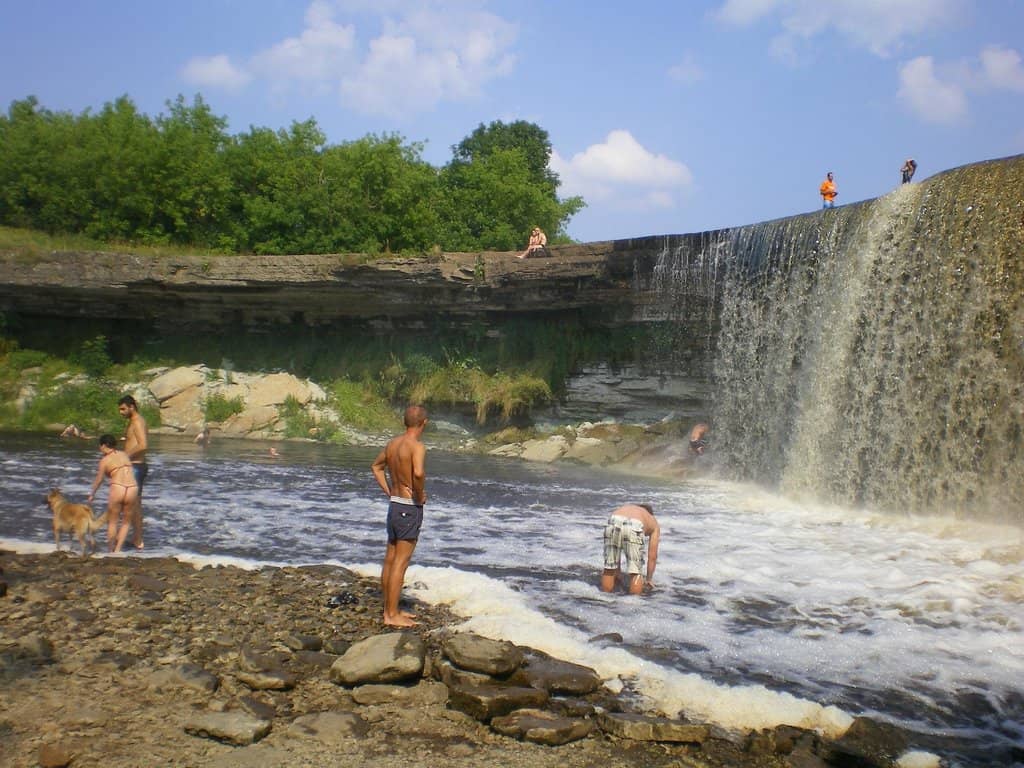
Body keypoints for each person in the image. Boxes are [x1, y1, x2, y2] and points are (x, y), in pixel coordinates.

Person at [371, 405, 428, 627]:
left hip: (395, 505)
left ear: (405, 422)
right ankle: (392, 615)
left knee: (390, 558)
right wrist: (419, 494)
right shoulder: (417, 446)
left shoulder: (392, 444)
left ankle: (389, 608)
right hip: (409, 507)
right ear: (424, 423)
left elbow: (376, 467)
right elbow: (418, 473)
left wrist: (389, 491)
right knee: (400, 562)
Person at [87, 434, 139, 553]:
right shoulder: (124, 454)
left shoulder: (104, 460)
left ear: (103, 446)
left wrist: (92, 494)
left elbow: (99, 479)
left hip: (118, 487)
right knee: (126, 522)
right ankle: (118, 549)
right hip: (132, 488)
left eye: (100, 446)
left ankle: (111, 550)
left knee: (113, 521)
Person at [600, 503, 660, 595]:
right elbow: (652, 556)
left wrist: (617, 571)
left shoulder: (628, 509)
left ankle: (605, 597)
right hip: (635, 525)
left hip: (613, 520)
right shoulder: (652, 520)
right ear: (650, 513)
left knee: (609, 568)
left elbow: (618, 541)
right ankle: (633, 601)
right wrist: (648, 579)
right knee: (636, 572)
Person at [118, 394, 148, 549]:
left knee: (134, 505)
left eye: (123, 409)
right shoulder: (133, 422)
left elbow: (143, 445)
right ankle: (136, 538)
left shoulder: (137, 422)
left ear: (132, 407)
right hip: (133, 466)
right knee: (131, 504)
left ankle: (138, 540)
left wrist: (125, 457)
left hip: (136, 467)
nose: (121, 412)